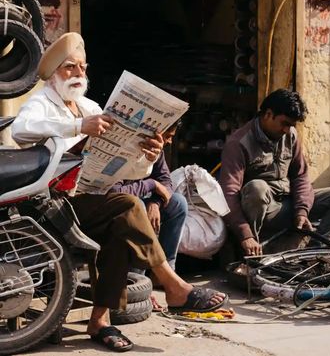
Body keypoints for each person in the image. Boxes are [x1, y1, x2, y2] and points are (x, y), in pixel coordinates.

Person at [11, 32, 227, 352]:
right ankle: (172, 285)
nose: (79, 74)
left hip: (92, 199)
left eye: (83, 68)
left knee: (121, 225)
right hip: (51, 205)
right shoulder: (41, 104)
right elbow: (20, 131)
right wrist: (76, 128)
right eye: (71, 67)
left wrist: (148, 155)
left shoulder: (90, 106)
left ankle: (99, 320)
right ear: (55, 72)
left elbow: (128, 171)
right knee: (126, 206)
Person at [219, 89, 330, 256]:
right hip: (264, 211)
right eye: (285, 123)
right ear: (268, 114)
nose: (287, 130)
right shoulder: (238, 143)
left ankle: (315, 255)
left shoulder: (291, 136)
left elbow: (300, 175)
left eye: (291, 125)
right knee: (257, 188)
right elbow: (229, 193)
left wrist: (302, 211)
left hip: (288, 204)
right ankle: (252, 253)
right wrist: (245, 234)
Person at [110, 120, 187, 271]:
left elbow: (166, 183)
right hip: (114, 208)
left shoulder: (157, 151)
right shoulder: (122, 147)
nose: (169, 142)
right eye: (167, 136)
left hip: (143, 201)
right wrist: (151, 184)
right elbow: (115, 192)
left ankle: (166, 270)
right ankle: (138, 275)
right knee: (137, 206)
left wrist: (155, 202)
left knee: (179, 203)